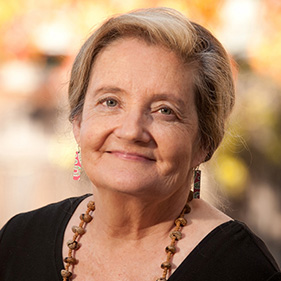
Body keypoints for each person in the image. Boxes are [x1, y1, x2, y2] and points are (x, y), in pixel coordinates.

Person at [0, 7, 280, 281]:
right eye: (110, 102)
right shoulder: (19, 240)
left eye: (164, 110)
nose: (132, 130)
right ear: (78, 121)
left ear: (204, 143)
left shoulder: (243, 268)